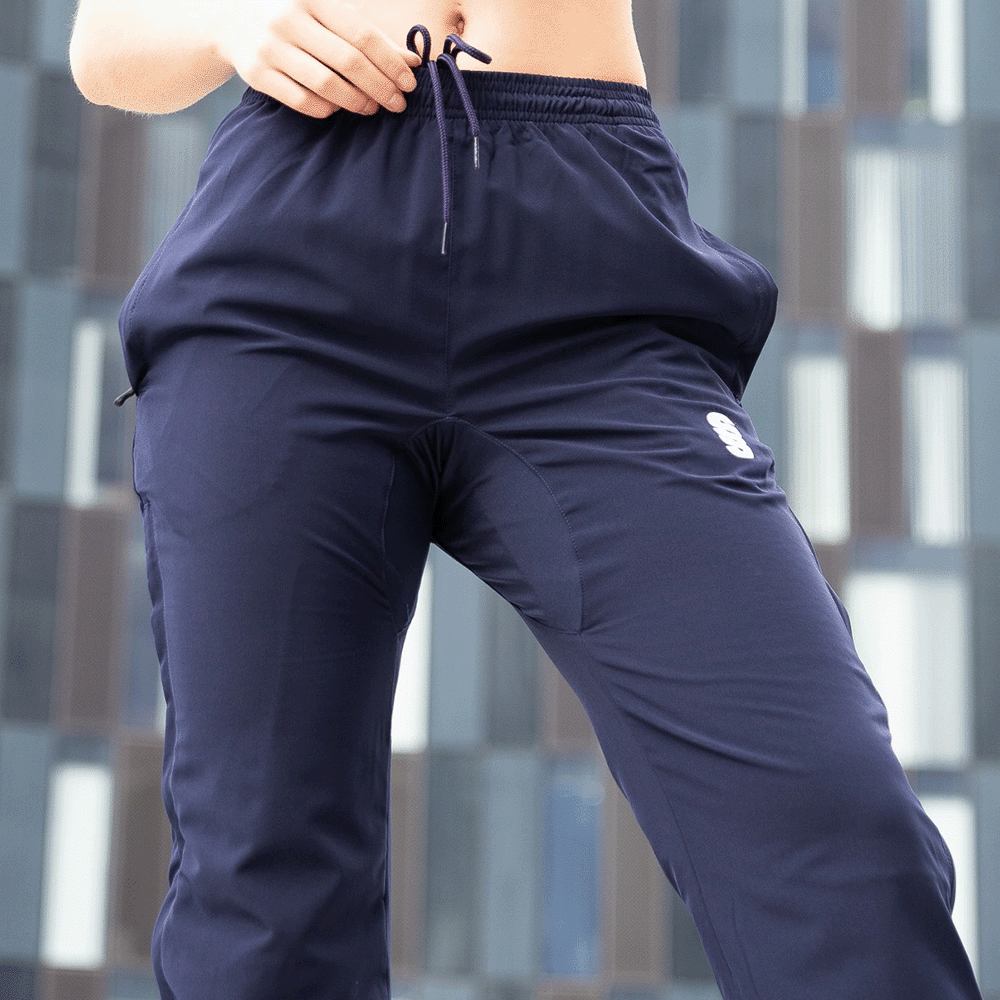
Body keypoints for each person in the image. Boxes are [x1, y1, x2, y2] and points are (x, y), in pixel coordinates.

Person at [69, 1, 983, 998]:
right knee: (263, 894)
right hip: (290, 272)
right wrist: (233, 22)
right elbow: (102, 44)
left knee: (837, 824)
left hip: (590, 272)